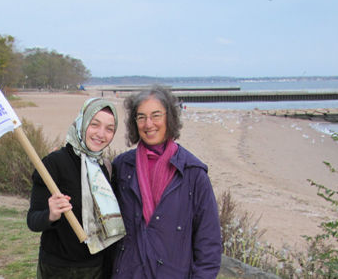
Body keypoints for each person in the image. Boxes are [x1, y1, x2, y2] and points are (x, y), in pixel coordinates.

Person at [111, 86, 221, 278]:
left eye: (156, 115)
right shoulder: (122, 167)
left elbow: (209, 242)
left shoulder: (193, 173)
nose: (148, 124)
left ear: (169, 118)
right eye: (141, 117)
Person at [27, 98, 125, 279]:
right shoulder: (53, 164)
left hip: (97, 267)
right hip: (58, 269)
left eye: (109, 129)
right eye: (95, 124)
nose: (101, 134)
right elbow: (33, 221)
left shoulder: (104, 167)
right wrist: (51, 214)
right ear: (82, 122)